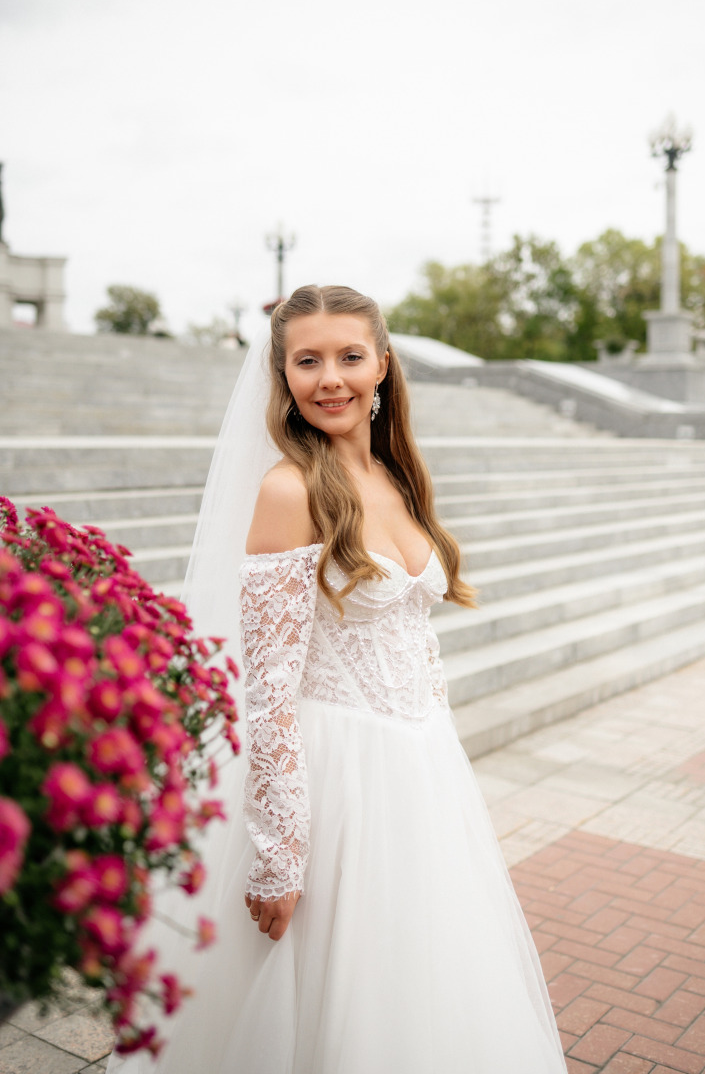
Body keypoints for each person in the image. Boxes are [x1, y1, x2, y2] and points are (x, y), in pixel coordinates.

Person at [108, 285, 567, 1073]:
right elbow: (269, 687)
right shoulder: (289, 491)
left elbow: (411, 639)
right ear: (282, 376)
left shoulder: (397, 476)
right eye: (307, 360)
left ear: (382, 366)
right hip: (332, 779)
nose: (330, 378)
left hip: (419, 771)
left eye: (350, 357)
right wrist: (280, 852)